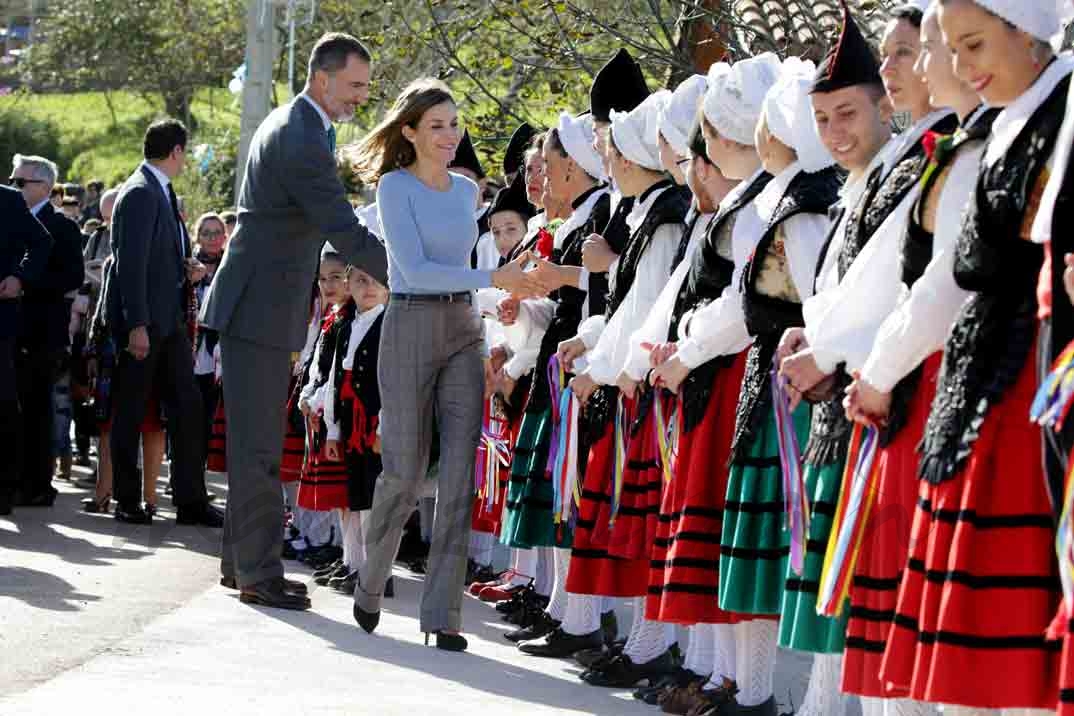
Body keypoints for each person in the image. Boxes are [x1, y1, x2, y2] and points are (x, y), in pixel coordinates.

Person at [879, 0, 1069, 711]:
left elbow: (956, 279)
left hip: (1029, 390)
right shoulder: (1013, 121)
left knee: (1019, 638)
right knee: (985, 642)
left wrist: (875, 369)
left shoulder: (1058, 114)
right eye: (952, 49)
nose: (960, 68)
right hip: (988, 385)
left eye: (975, 44)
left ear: (1030, 33)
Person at [839, 7, 997, 714]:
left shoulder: (972, 149)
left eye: (919, 51)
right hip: (922, 372)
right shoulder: (956, 149)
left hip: (949, 377)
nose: (928, 66)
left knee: (968, 600)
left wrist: (873, 368)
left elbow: (939, 283)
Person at [347, 77, 540, 651]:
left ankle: (443, 615)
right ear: (409, 131)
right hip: (408, 325)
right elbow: (415, 270)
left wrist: (496, 294)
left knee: (459, 474)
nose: (450, 135)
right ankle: (371, 577)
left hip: (463, 330)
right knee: (404, 473)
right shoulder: (393, 187)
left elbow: (465, 271)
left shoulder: (466, 192)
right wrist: (491, 278)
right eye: (437, 125)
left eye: (455, 124)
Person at [200, 33, 389, 611]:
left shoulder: (298, 124)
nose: (360, 97)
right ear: (323, 78)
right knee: (258, 448)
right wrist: (405, 270)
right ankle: (258, 572)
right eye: (355, 85)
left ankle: (241, 565)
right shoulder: (302, 131)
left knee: (251, 442)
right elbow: (339, 222)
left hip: (257, 302)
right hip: (259, 305)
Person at [108, 119, 220, 527]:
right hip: (145, 324)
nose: (186, 160)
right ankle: (126, 499)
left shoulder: (161, 191)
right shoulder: (139, 192)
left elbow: (155, 257)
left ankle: (191, 501)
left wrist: (182, 269)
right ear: (175, 151)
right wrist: (136, 323)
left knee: (188, 408)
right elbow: (129, 264)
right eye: (185, 152)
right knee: (132, 410)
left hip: (168, 321)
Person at [10, 154, 85, 508]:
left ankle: (37, 484)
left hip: (41, 331)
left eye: (20, 182)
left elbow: (71, 276)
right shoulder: (10, 219)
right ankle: (12, 479)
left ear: (43, 186)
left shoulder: (62, 227)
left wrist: (24, 282)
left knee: (37, 409)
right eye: (11, 180)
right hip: (9, 329)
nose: (13, 187)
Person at [0, 181, 52, 516]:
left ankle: (4, 489)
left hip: (0, 321)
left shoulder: (7, 200)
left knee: (3, 404)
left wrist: (19, 277)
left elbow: (41, 242)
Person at [190, 212, 227, 469]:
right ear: (198, 236)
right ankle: (182, 469)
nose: (212, 238)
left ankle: (200, 469)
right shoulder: (189, 265)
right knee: (186, 411)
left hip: (220, 351)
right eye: (207, 233)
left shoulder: (232, 265)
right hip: (191, 347)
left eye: (217, 233)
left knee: (209, 415)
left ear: (225, 237)